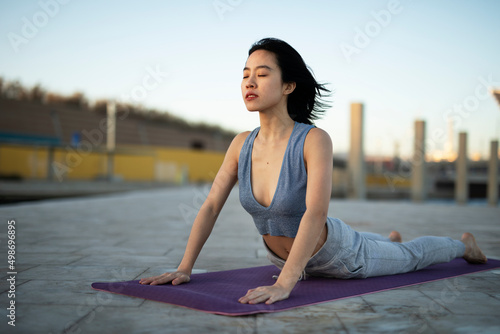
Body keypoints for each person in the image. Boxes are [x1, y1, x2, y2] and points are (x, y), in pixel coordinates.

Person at [139, 38, 487, 305]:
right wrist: (185, 267)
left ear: (289, 86)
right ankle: (387, 241)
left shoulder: (313, 140)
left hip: (339, 255)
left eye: (262, 74)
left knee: (410, 257)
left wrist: (285, 284)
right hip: (285, 257)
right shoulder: (241, 144)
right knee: (385, 247)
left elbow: (317, 212)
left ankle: (461, 245)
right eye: (245, 75)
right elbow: (211, 205)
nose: (250, 82)